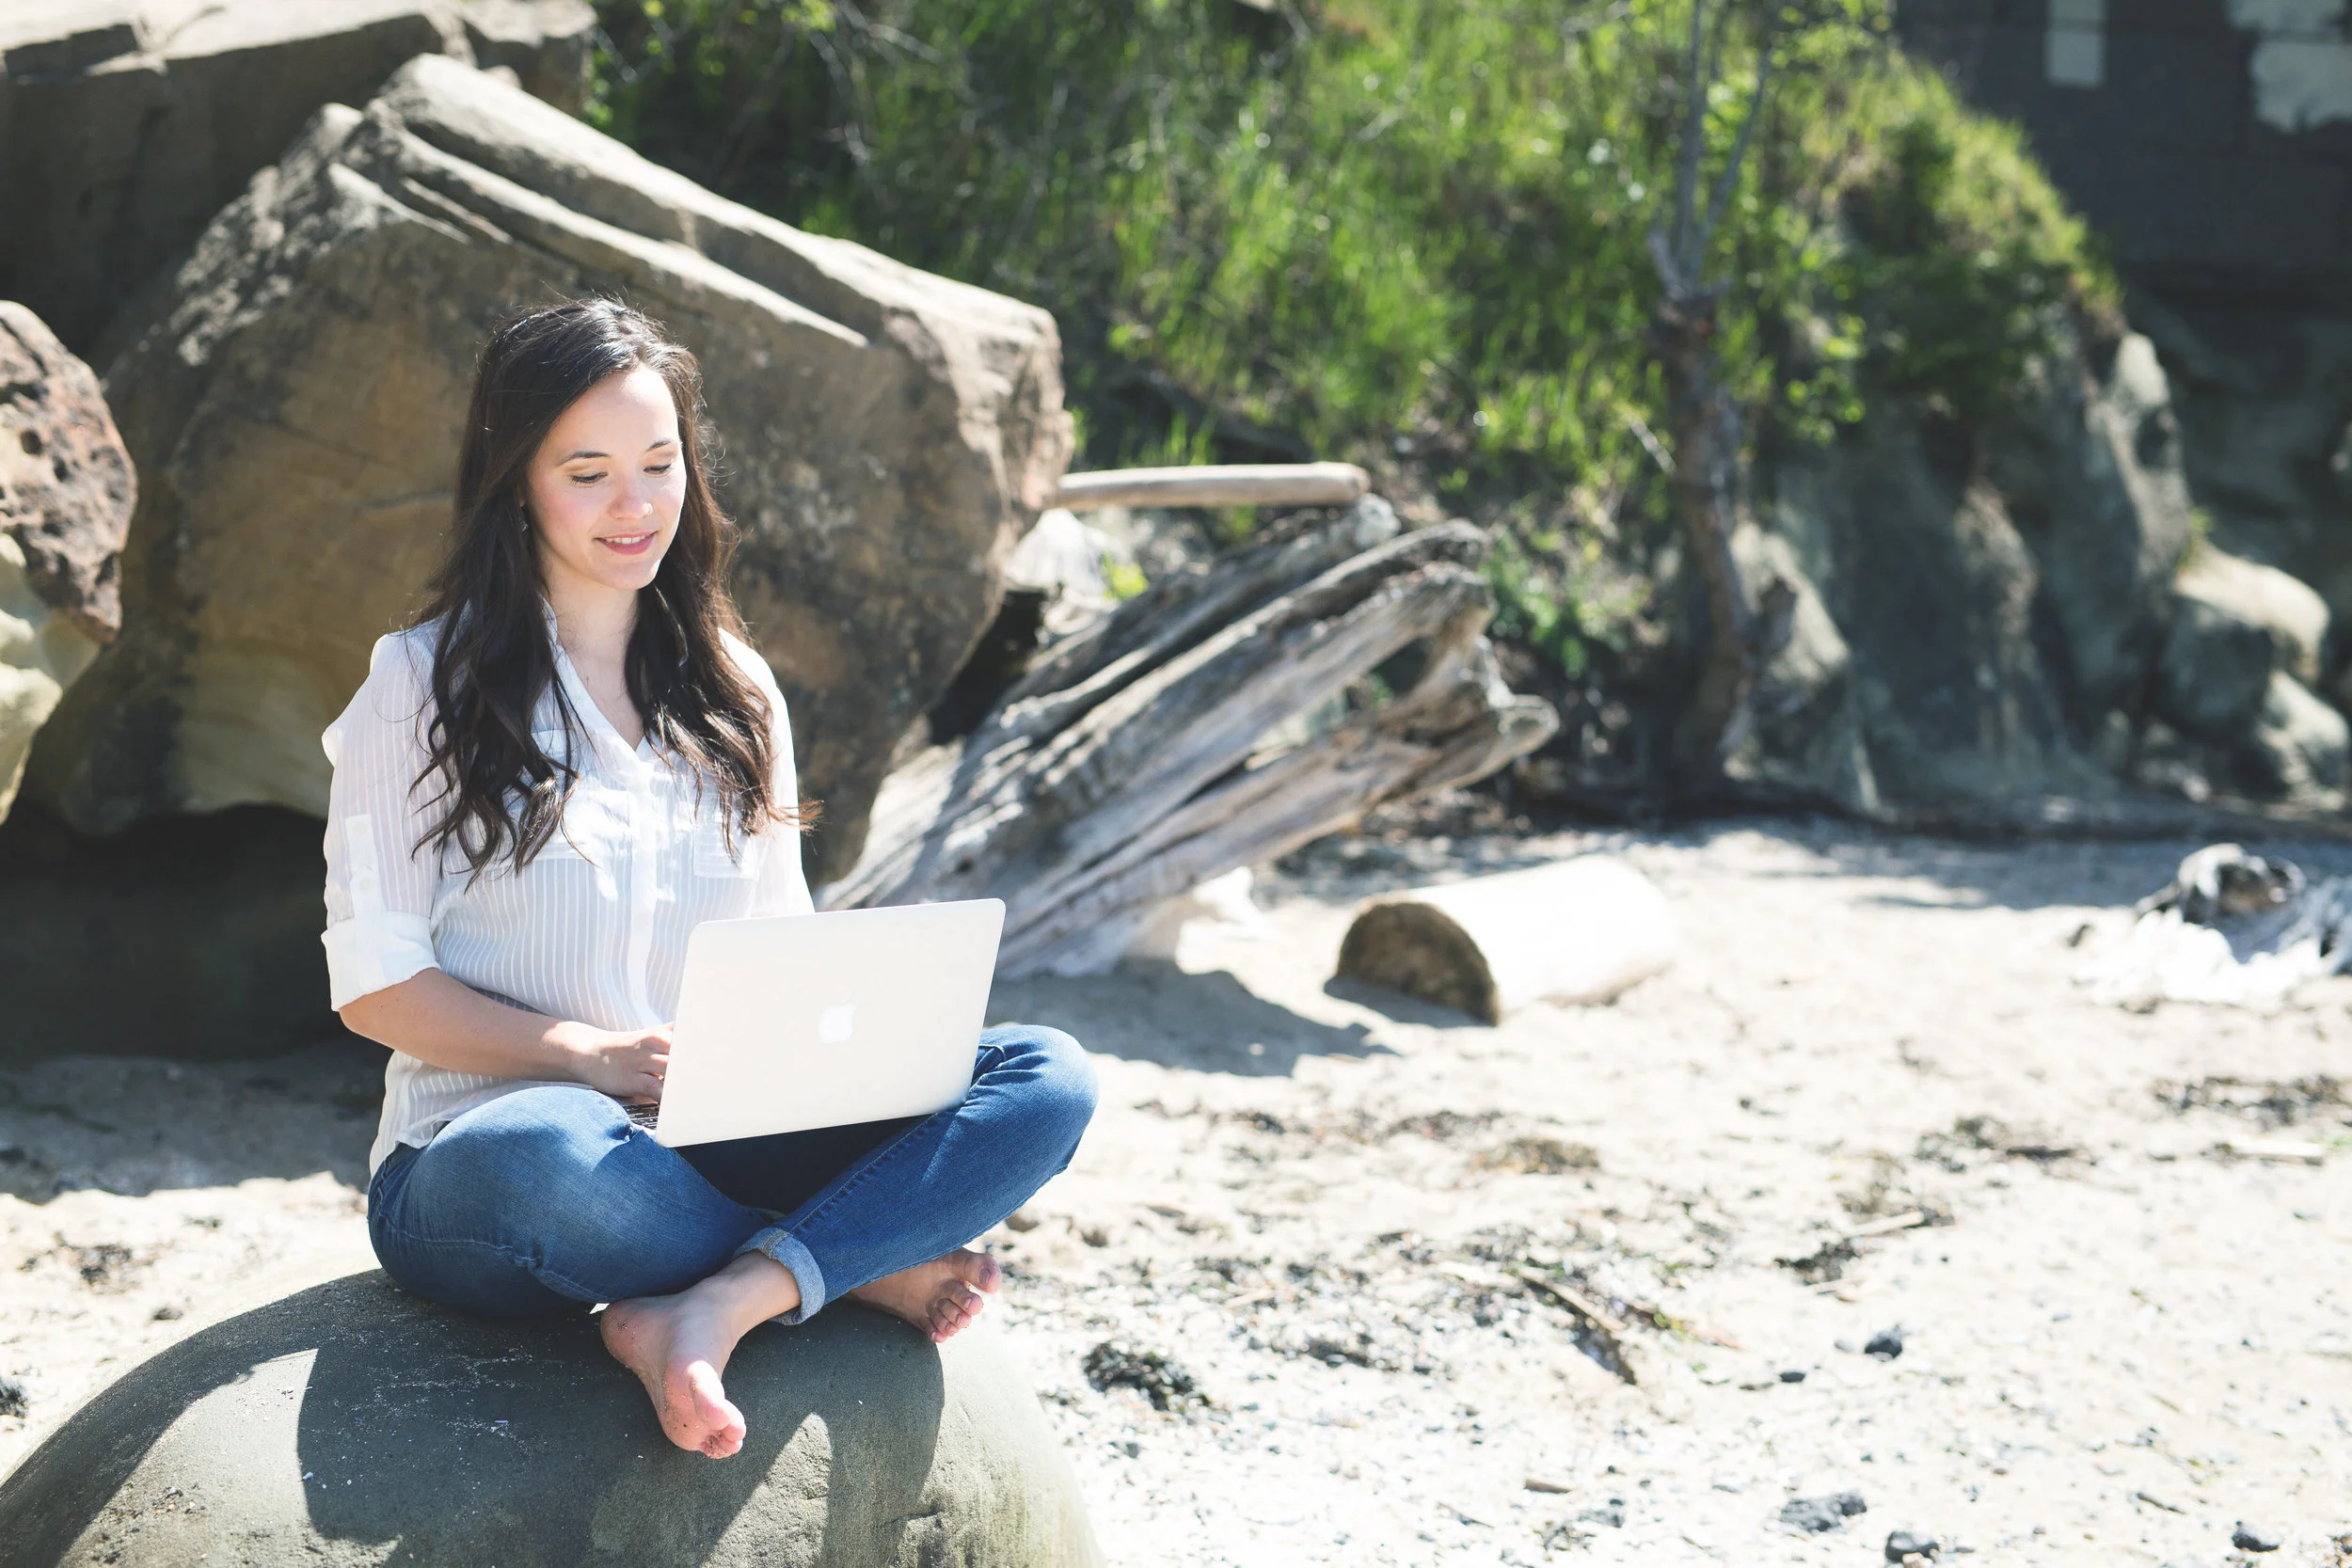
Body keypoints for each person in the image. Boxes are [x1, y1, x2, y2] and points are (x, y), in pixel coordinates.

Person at [323, 298, 1096, 1460]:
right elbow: (377, 988)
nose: (634, 504)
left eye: (657, 461)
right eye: (587, 471)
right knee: (546, 1153)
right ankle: (851, 1259)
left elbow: (782, 958)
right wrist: (582, 1054)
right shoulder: (418, 683)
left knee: (1046, 1073)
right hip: (485, 1160)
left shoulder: (735, 688)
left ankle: (727, 1298)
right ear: (514, 479)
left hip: (707, 1136)